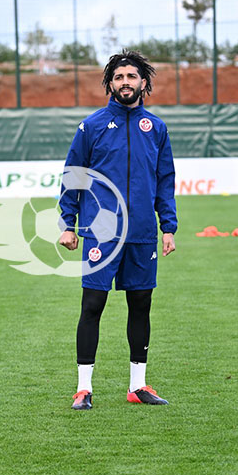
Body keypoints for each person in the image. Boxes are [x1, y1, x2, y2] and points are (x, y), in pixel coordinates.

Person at [58, 50, 177, 410]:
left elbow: (164, 180)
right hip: (101, 232)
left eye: (132, 77)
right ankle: (83, 389)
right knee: (92, 304)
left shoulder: (155, 128)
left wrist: (167, 227)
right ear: (110, 83)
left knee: (141, 304)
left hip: (142, 233)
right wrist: (68, 223)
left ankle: (137, 386)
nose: (126, 82)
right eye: (120, 77)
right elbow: (73, 175)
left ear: (144, 83)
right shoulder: (91, 126)